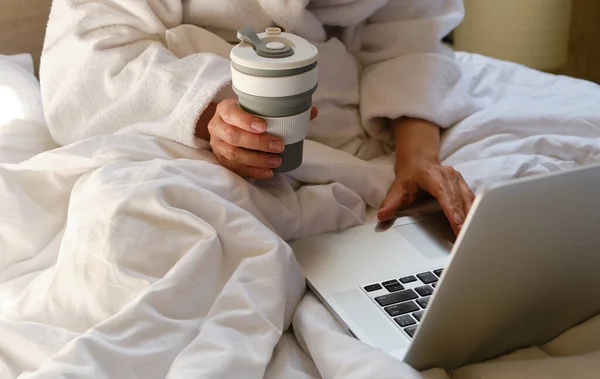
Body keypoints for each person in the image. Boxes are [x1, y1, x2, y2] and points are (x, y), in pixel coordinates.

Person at [41, 0, 479, 235]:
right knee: (141, 226)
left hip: (341, 117)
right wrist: (211, 115)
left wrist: (418, 160)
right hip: (183, 111)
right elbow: (83, 64)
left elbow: (413, 36)